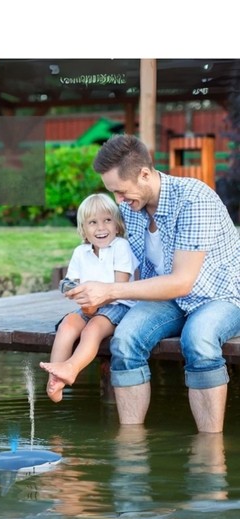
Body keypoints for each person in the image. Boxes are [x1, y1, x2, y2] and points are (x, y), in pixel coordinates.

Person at [65, 134, 240, 433]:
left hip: (219, 295)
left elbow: (182, 282)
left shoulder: (193, 199)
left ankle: (210, 449)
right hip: (167, 298)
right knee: (125, 340)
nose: (118, 201)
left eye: (121, 191)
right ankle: (132, 448)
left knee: (198, 340)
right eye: (113, 193)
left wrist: (110, 291)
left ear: (144, 174)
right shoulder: (132, 209)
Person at [39, 193, 138, 402]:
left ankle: (71, 369)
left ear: (118, 225)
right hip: (88, 305)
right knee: (67, 325)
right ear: (83, 229)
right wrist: (73, 290)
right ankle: (55, 379)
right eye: (93, 222)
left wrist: (95, 302)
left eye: (107, 220)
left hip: (117, 305)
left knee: (92, 330)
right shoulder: (80, 252)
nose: (101, 228)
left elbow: (119, 287)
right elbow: (67, 282)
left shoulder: (121, 246)